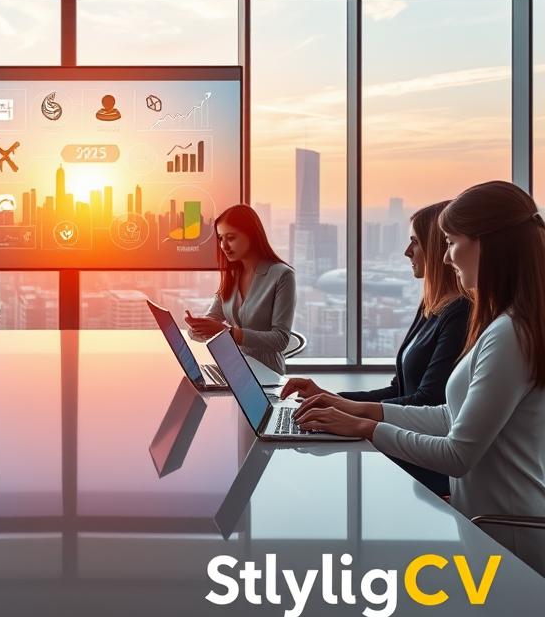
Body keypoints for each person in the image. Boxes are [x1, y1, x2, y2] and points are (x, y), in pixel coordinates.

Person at [295, 181, 545, 575]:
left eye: (450, 242)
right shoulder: (506, 324)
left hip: (508, 540)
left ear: (485, 243)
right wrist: (353, 410)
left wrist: (362, 427)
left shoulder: (510, 334)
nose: (445, 258)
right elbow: (450, 416)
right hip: (489, 528)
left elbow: (457, 455)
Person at [283, 201, 469, 495]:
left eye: (415, 243)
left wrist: (349, 415)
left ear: (436, 249)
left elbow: (427, 401)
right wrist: (329, 398)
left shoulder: (461, 314)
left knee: (318, 479)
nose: (408, 252)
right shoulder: (431, 305)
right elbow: (399, 389)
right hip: (403, 443)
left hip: (421, 459)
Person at [184, 204, 295, 374]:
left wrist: (229, 333)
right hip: (235, 368)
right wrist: (198, 327)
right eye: (220, 238)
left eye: (231, 237)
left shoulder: (282, 275)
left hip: (267, 374)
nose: (224, 246)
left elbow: (281, 339)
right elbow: (213, 318)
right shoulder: (232, 276)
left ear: (252, 235)